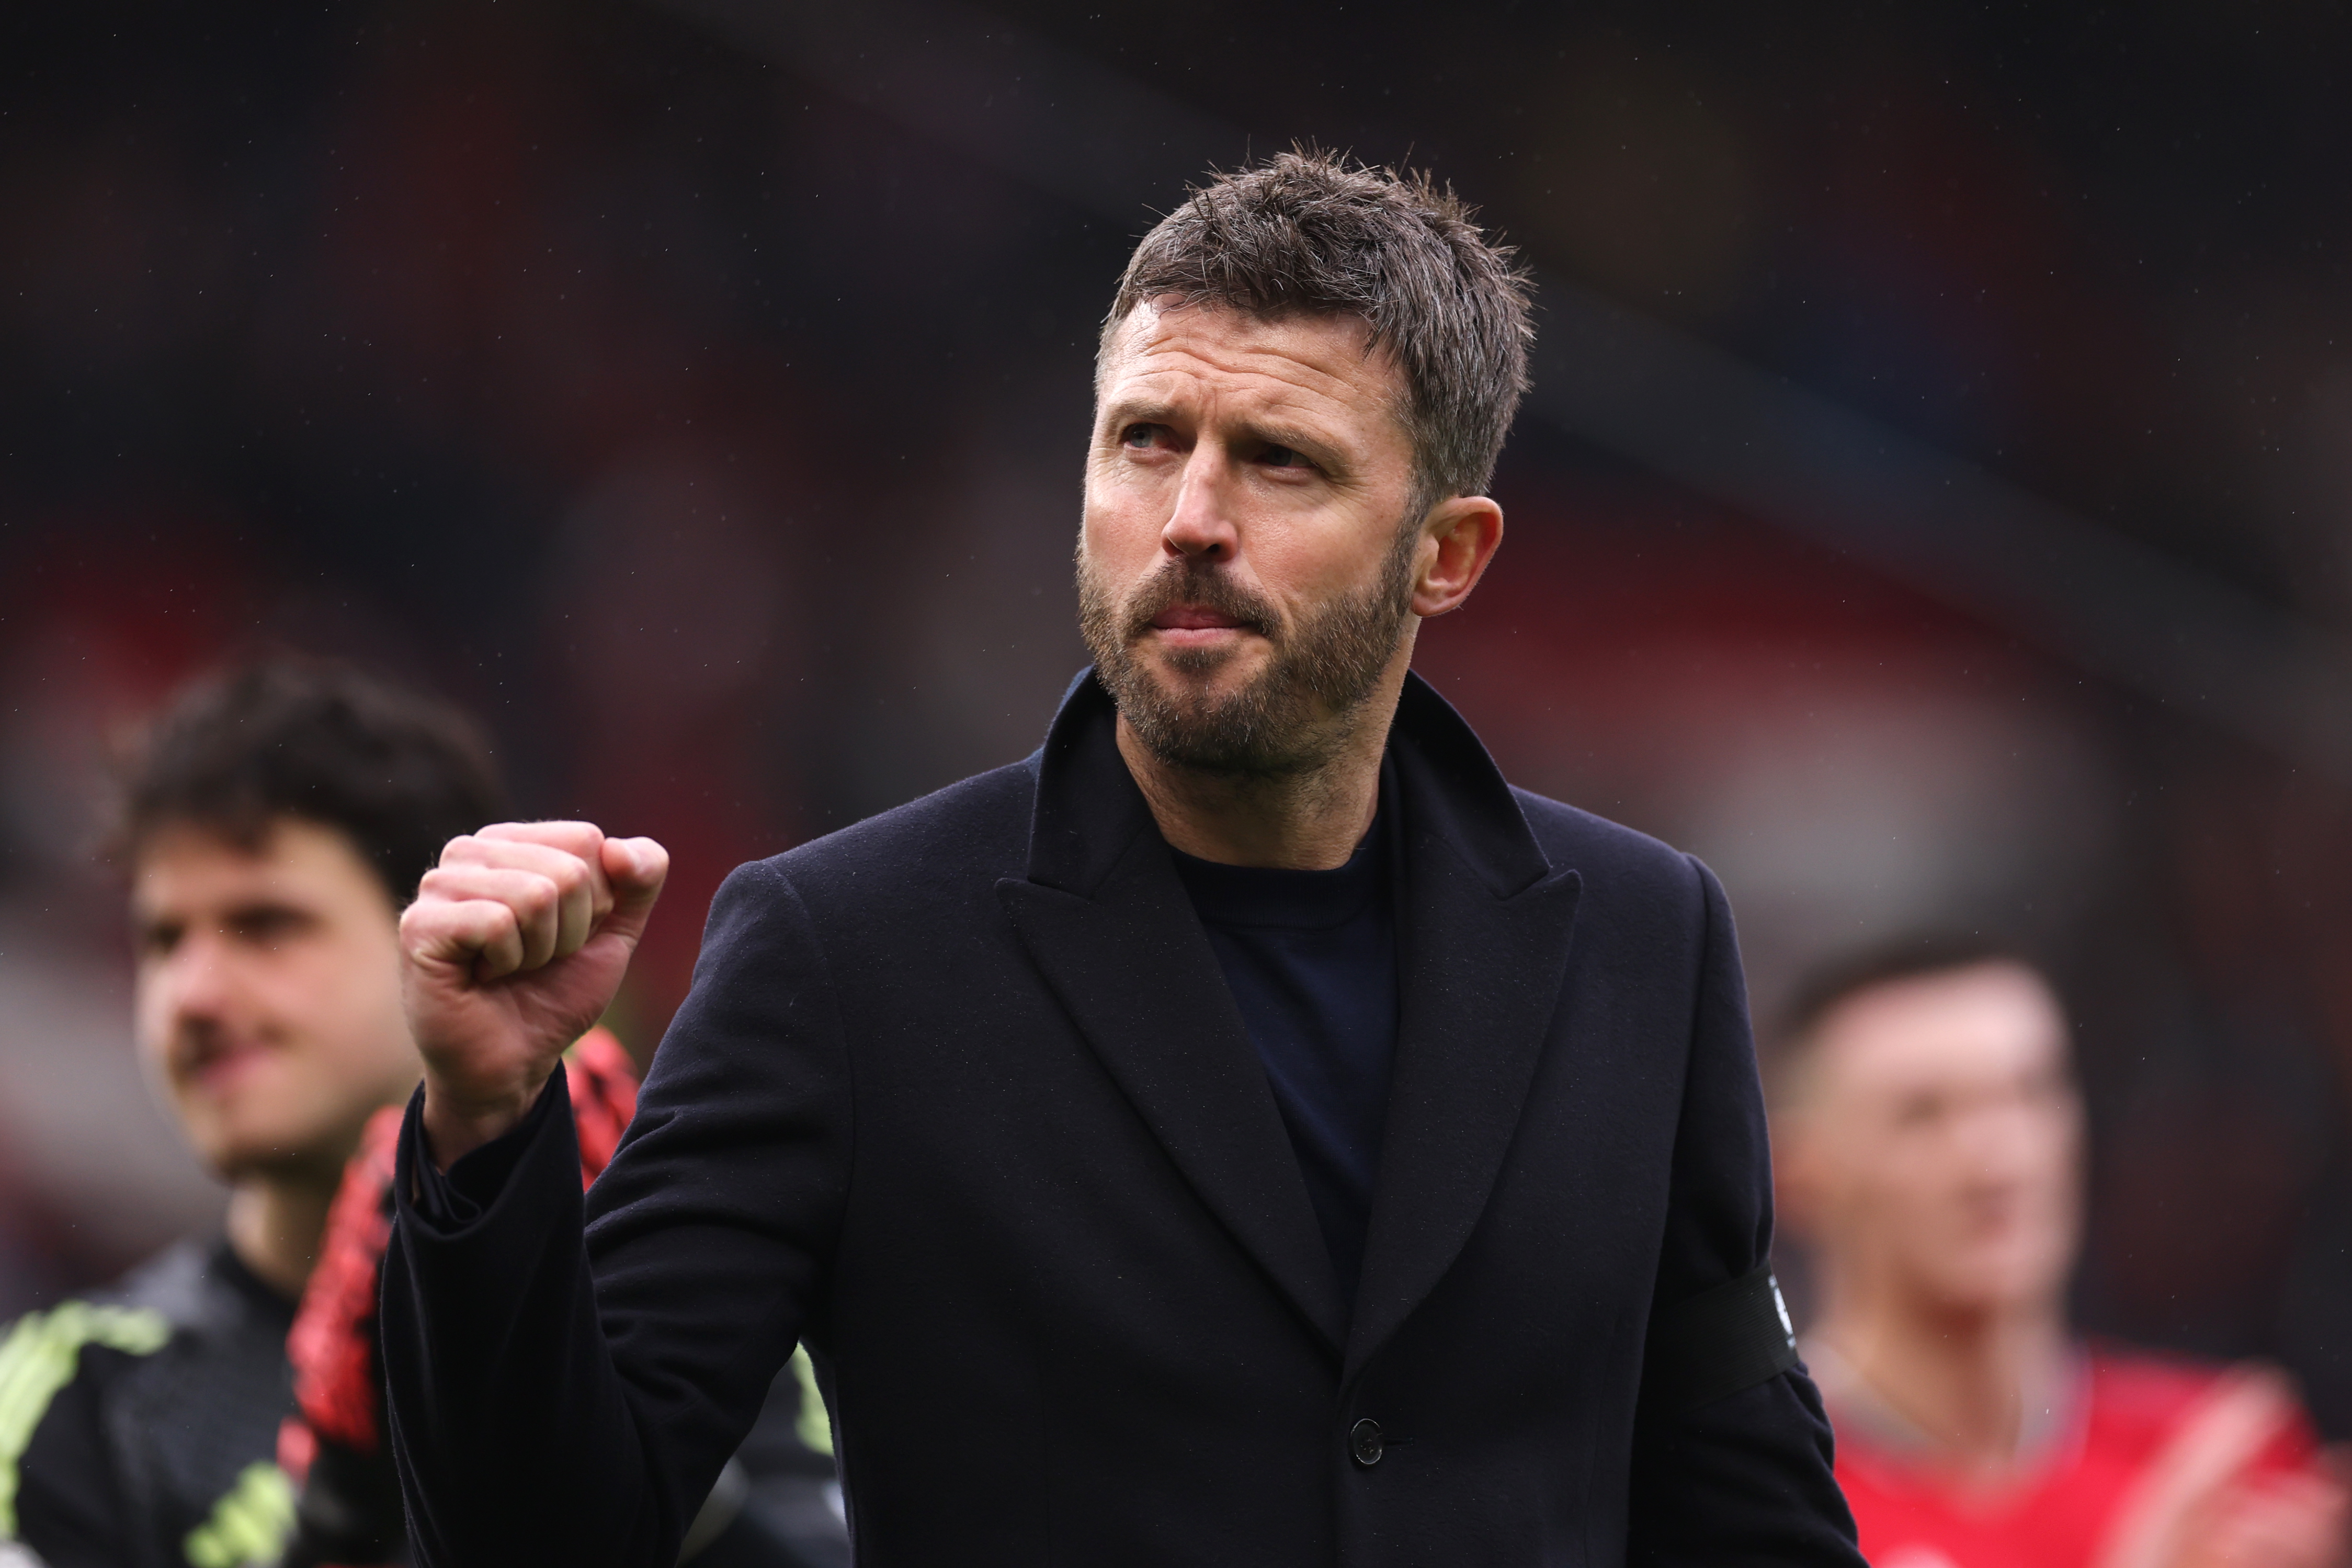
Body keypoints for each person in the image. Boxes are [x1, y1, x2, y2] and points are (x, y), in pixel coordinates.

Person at [381, 151, 1866, 1566]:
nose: (1192, 520)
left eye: (1281, 462)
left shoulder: (1642, 942)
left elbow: (1747, 1522)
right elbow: (546, 1533)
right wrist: (485, 1128)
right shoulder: (843, 954)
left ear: (1449, 551)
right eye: (1146, 440)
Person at [0, 658, 842, 1568]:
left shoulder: (681, 1300)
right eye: (165, 938)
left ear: (450, 938)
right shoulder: (73, 1385)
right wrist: (345, 1512)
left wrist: (618, 1425)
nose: (194, 993)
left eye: (266, 925)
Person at [1767, 937, 2349, 1568]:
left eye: (2030, 1094)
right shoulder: (1756, 1495)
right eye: (1922, 1115)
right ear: (1800, 1176)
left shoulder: (2215, 1456)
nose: (1995, 1161)